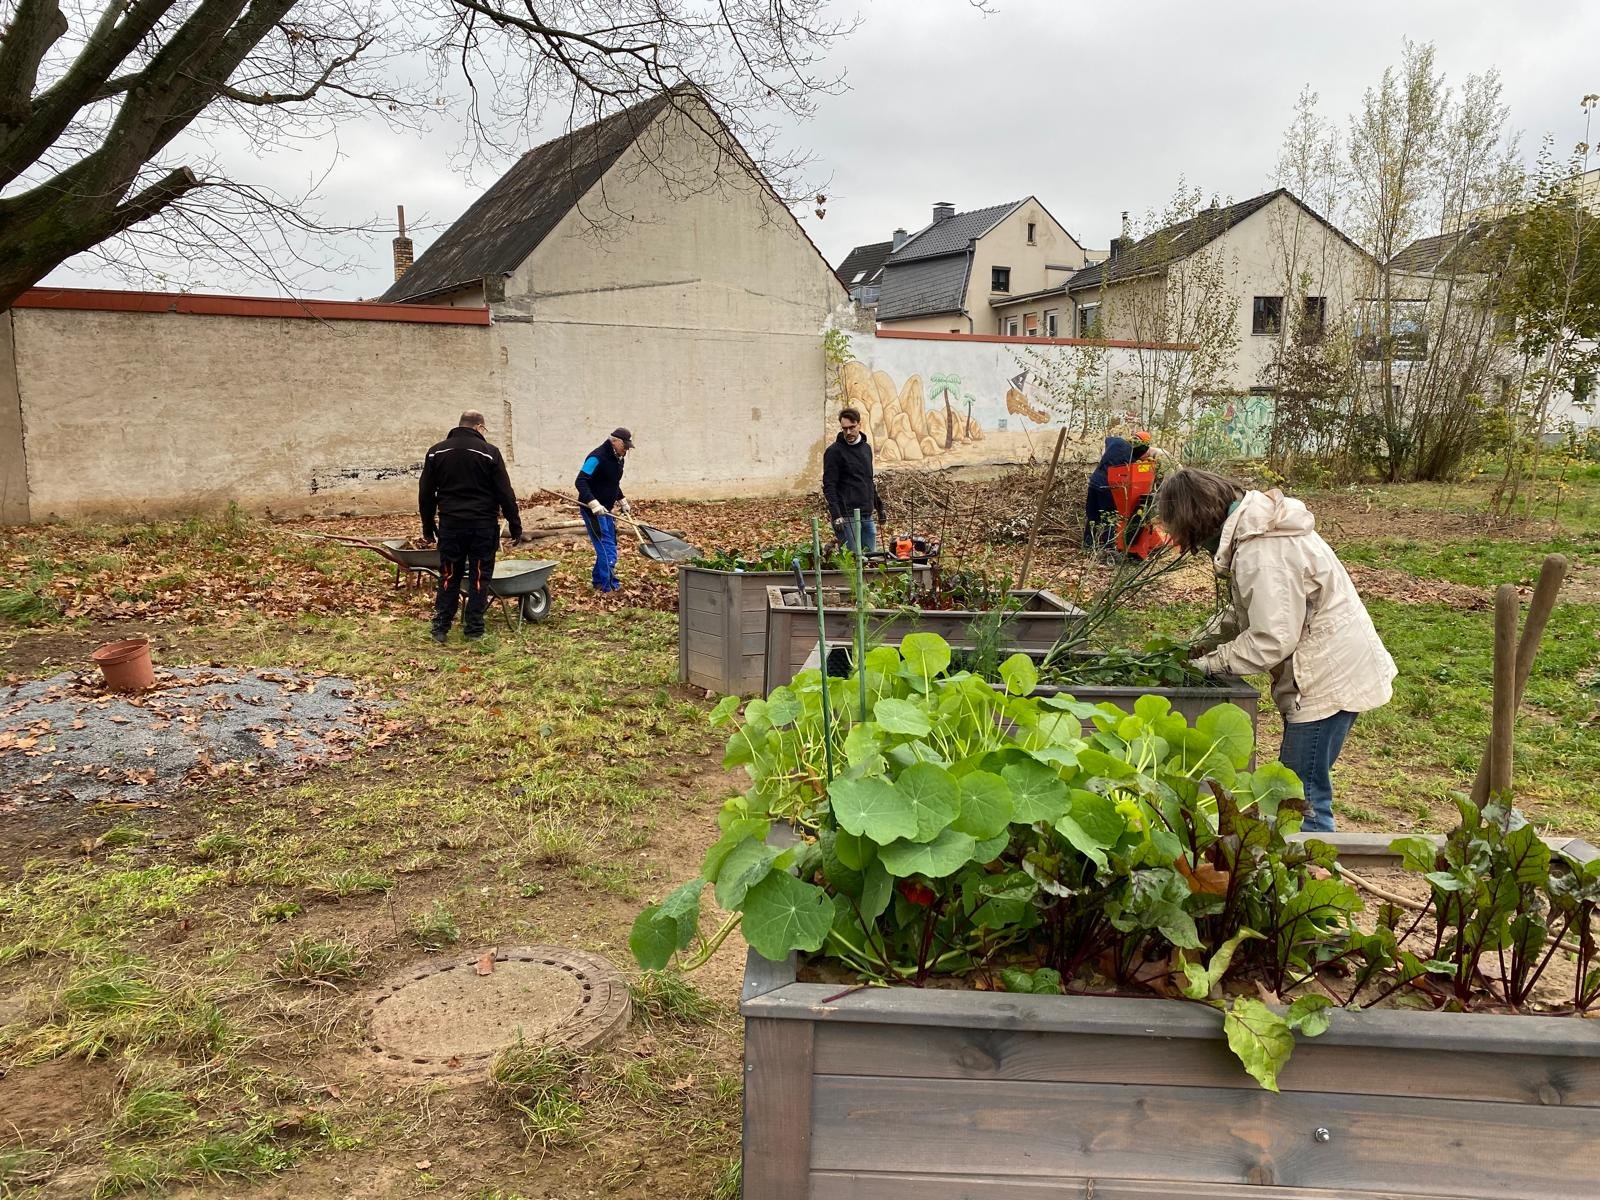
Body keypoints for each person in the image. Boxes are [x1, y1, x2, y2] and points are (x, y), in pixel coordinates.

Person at [1156, 467, 1396, 833]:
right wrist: (1194, 644)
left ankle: (1311, 873)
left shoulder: (1263, 551)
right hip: (1323, 668)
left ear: (1196, 520)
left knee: (1301, 798)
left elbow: (1270, 638)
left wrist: (1208, 664)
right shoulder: (1256, 531)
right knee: (1296, 788)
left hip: (1326, 680)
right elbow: (1244, 614)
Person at [418, 410, 523, 643]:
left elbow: (425, 493)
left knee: (449, 574)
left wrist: (428, 526)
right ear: (478, 427)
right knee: (478, 576)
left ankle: (440, 628)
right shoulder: (489, 453)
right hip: (482, 525)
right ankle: (474, 629)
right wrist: (515, 524)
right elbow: (505, 492)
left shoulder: (436, 452)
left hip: (451, 524)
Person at [575, 427, 633, 593]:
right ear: (614, 441)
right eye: (625, 445)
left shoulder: (619, 457)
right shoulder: (596, 458)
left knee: (611, 543)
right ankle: (607, 586)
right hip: (592, 509)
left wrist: (622, 500)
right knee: (606, 547)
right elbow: (580, 482)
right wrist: (593, 503)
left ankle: (599, 580)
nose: (627, 449)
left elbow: (612, 482)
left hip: (606, 508)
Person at [822, 407, 885, 552]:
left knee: (870, 556)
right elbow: (829, 486)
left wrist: (879, 507)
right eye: (845, 429)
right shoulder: (834, 452)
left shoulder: (866, 449)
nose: (848, 432)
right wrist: (836, 515)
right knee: (851, 559)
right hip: (846, 515)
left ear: (859, 425)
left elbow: (868, 481)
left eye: (852, 427)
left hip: (866, 513)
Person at [1083, 426, 1145, 555]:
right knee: (1109, 518)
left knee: (1092, 516)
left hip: (1094, 482)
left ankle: (1088, 546)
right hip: (1108, 487)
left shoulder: (1116, 442)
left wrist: (1108, 453)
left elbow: (1107, 439)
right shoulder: (1131, 459)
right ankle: (1108, 550)